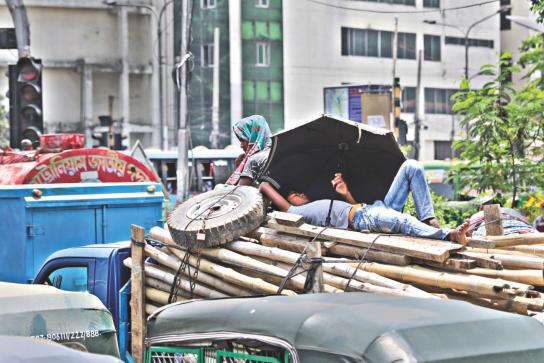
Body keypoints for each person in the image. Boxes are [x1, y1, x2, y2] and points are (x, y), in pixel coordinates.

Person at [259, 160, 470, 244]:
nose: (301, 195)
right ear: (286, 202)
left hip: (371, 208)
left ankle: (429, 219)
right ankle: (447, 235)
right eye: (295, 194)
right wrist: (263, 184)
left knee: (412, 167)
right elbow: (265, 188)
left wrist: (345, 192)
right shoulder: (297, 212)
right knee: (402, 221)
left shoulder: (317, 205)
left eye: (300, 192)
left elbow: (354, 208)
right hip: (365, 218)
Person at [226, 115, 272, 186]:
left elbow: (239, 190)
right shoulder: (275, 152)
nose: (241, 145)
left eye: (242, 140)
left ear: (253, 136)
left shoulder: (254, 159)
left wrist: (243, 166)